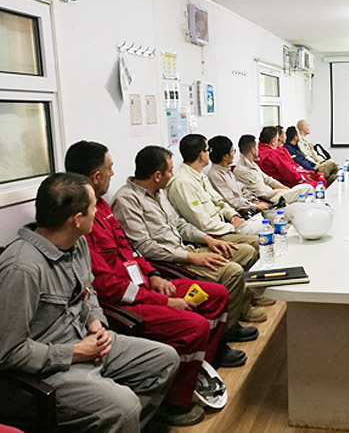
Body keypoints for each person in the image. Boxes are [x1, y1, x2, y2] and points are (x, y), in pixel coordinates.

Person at [65, 141, 249, 425]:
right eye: (110, 168)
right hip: (125, 301)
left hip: (146, 282)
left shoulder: (102, 207)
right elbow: (109, 285)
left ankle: (200, 367)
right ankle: (175, 401)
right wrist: (165, 300)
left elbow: (130, 249)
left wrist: (153, 275)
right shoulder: (83, 222)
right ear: (95, 176)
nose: (114, 173)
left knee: (216, 295)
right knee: (195, 325)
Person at [0, 173, 180, 432]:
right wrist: (75, 352)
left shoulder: (78, 243)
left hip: (88, 341)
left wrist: (96, 321)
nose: (98, 212)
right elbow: (9, 352)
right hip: (50, 368)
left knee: (165, 360)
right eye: (94, 206)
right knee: (125, 407)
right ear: (76, 219)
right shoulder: (22, 268)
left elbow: (88, 291)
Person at [112, 145, 266, 328]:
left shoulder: (158, 193)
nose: (173, 174)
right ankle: (229, 329)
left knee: (246, 252)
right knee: (232, 271)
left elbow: (179, 224)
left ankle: (242, 306)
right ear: (157, 176)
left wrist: (207, 239)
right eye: (170, 171)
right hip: (170, 262)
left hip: (185, 249)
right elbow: (144, 247)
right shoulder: (127, 200)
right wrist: (191, 257)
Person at [234, 134, 313, 204]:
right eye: (257, 147)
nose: (259, 149)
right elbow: (261, 194)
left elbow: (268, 180)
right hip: (269, 200)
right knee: (308, 188)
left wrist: (285, 188)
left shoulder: (252, 164)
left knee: (306, 187)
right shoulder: (241, 170)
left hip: (274, 193)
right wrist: (281, 191)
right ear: (253, 151)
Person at [206, 135, 270, 214]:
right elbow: (232, 201)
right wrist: (254, 206)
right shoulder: (214, 175)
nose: (233, 154)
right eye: (232, 151)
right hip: (239, 213)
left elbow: (242, 189)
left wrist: (254, 200)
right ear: (225, 156)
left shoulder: (227, 170)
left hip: (248, 206)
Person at [257, 126, 322, 188]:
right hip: (284, 183)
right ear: (273, 141)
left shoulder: (258, 150)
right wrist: (305, 175)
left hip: (273, 183)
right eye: (277, 139)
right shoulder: (274, 154)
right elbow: (290, 174)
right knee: (318, 183)